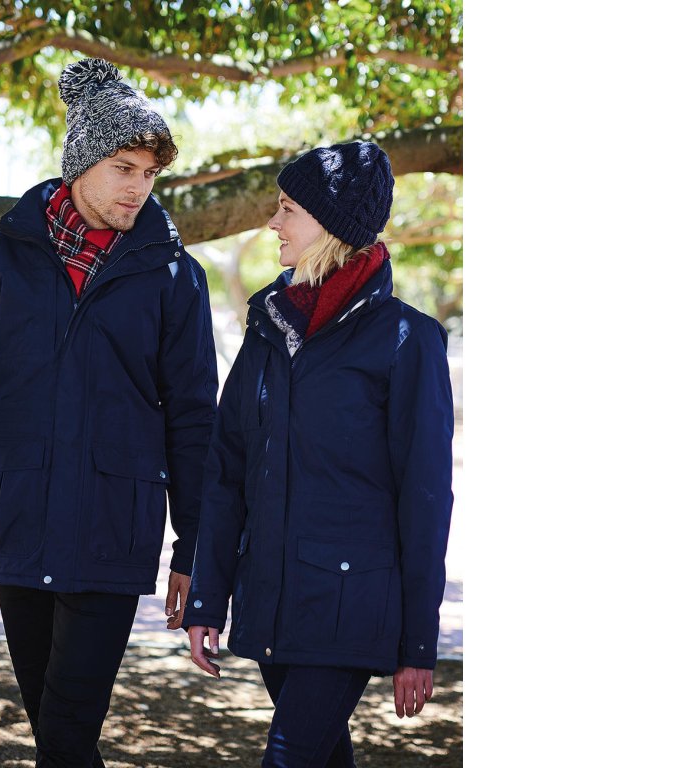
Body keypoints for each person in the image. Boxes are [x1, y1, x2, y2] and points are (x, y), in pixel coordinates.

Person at [0, 57, 218, 768]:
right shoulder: (2, 258)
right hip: (20, 516)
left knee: (64, 732)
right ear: (82, 163)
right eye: (124, 168)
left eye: (149, 174)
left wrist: (195, 548)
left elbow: (193, 418)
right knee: (59, 735)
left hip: (113, 530)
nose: (138, 187)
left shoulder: (174, 276)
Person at [181, 141, 454, 767]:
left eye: (288, 209)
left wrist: (418, 643)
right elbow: (226, 473)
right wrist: (207, 600)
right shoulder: (267, 328)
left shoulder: (407, 340)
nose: (272, 222)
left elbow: (425, 499)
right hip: (270, 598)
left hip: (349, 607)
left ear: (330, 225)